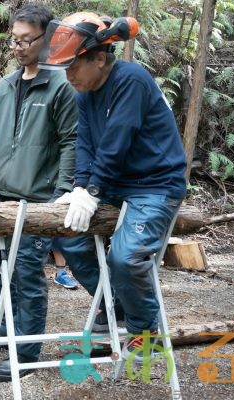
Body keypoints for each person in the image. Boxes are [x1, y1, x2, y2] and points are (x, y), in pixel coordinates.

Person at [40, 12, 187, 361]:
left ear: (100, 58)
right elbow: (86, 145)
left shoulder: (130, 80)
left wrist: (92, 192)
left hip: (156, 185)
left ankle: (144, 330)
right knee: (70, 238)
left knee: (126, 257)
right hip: (115, 183)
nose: (69, 74)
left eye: (74, 66)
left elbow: (117, 142)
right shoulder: (85, 93)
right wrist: (79, 188)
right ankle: (116, 305)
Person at [0, 5, 99, 381]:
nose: (18, 47)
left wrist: (63, 191)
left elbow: (72, 141)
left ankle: (27, 350)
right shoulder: (7, 84)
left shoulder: (60, 85)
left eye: (26, 40)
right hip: (0, 197)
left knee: (26, 274)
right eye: (14, 39)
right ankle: (4, 334)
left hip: (38, 200)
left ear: (47, 39)